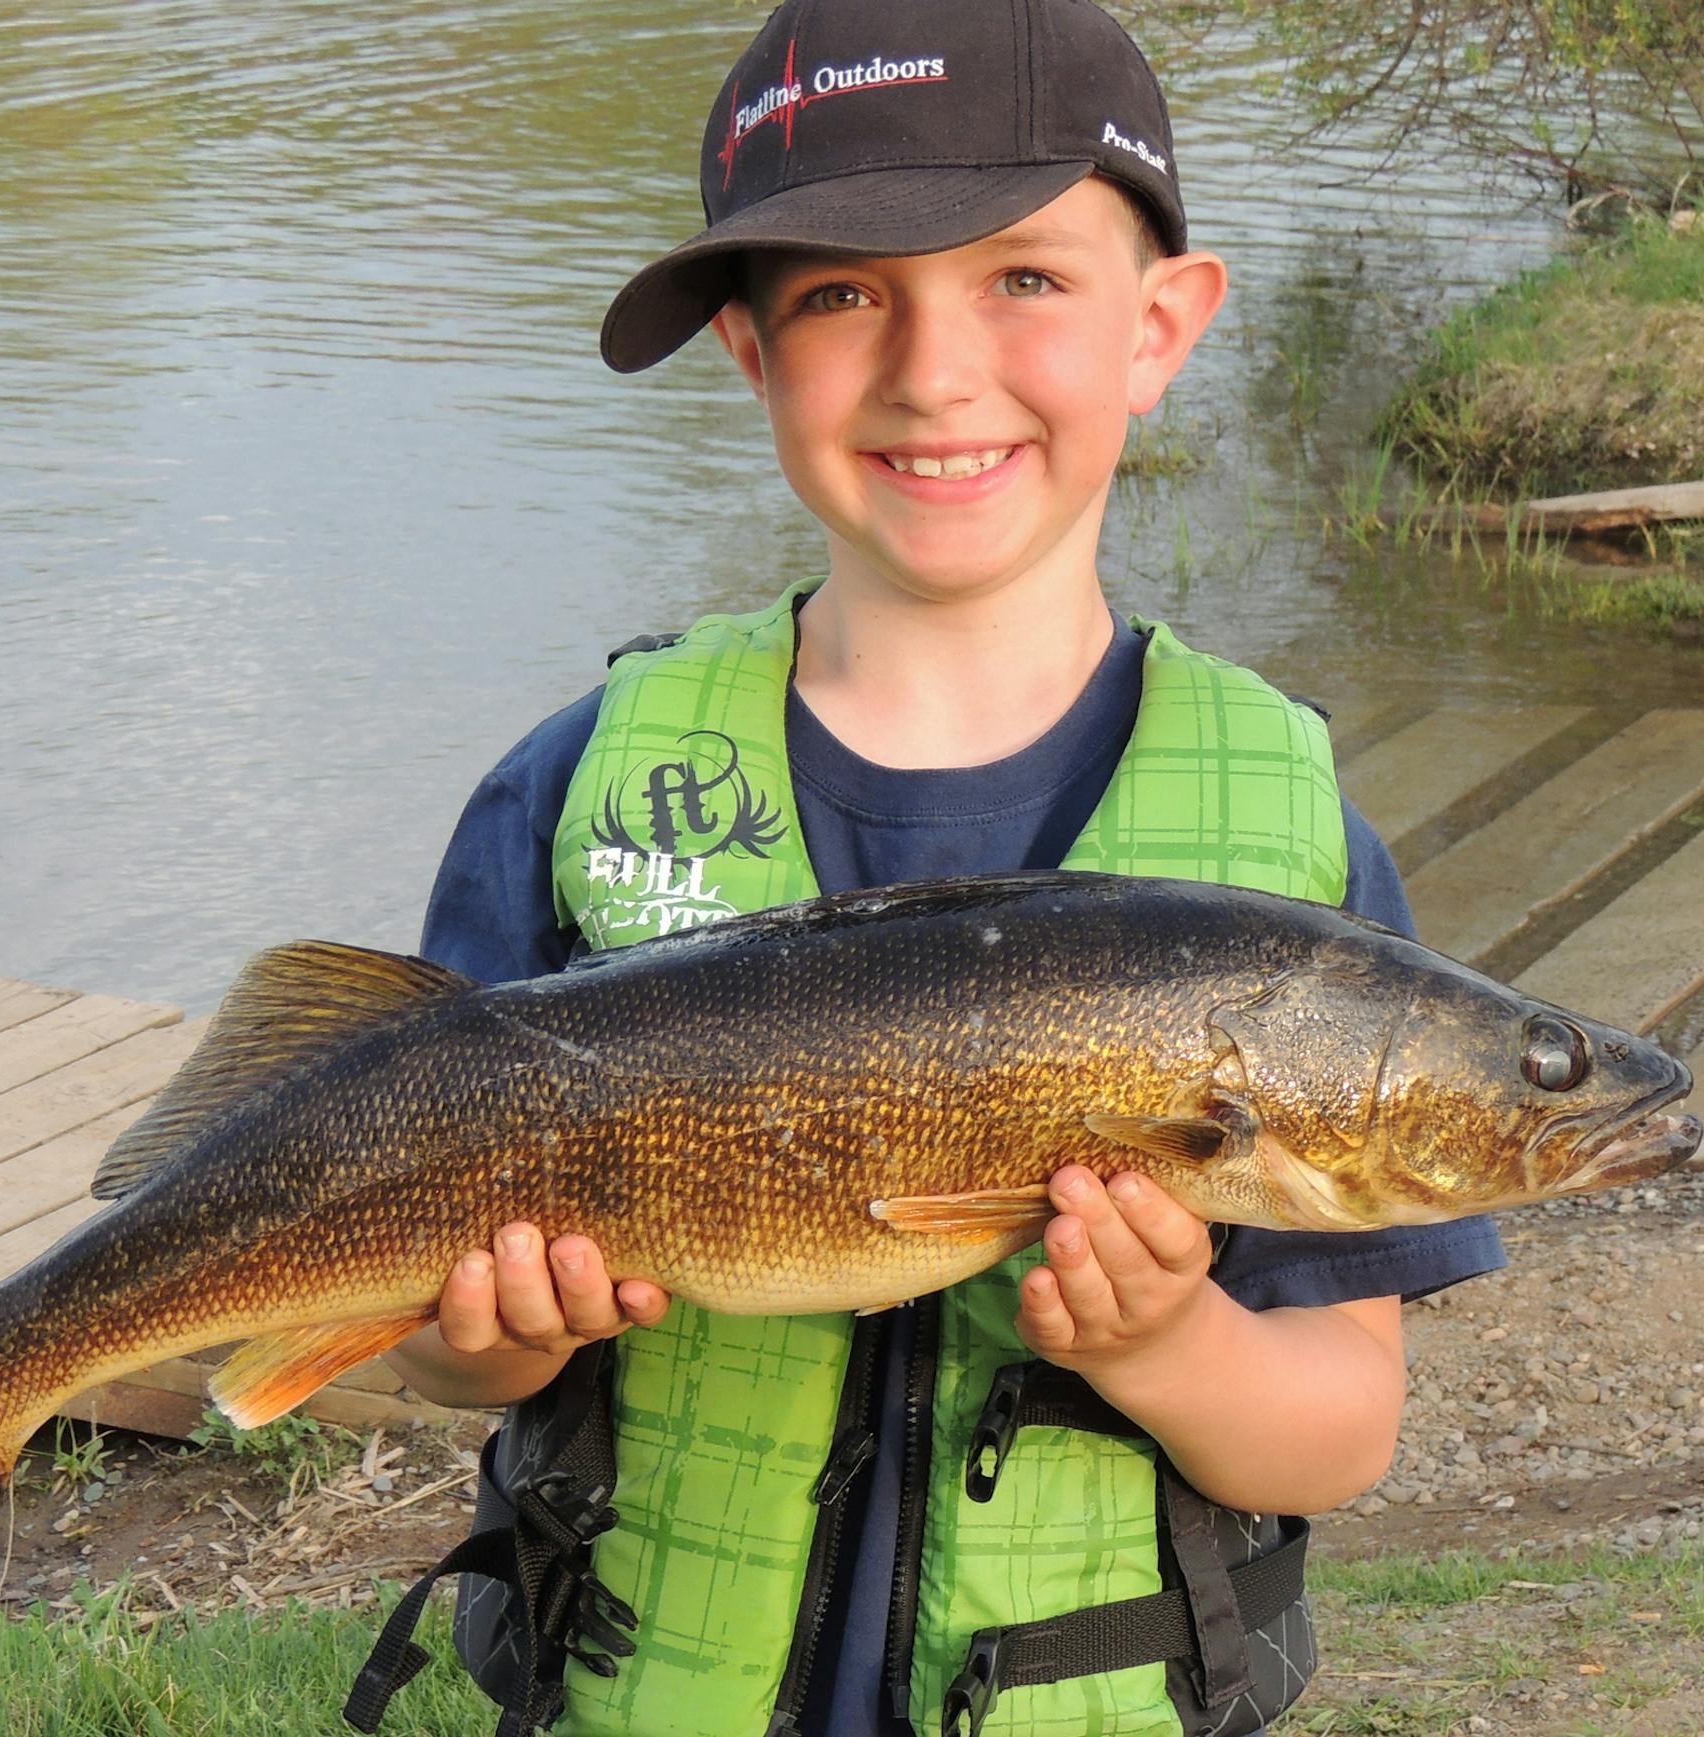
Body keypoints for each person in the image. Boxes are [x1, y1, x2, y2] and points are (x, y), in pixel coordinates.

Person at [367, 3, 1505, 1733]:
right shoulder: (570, 791)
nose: (931, 368)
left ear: (1163, 324)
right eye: (840, 293)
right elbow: (413, 1330)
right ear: (750, 354)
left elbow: (1343, 1424)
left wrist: (1165, 1342)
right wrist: (493, 1338)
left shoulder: (1292, 870)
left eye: (1025, 281)